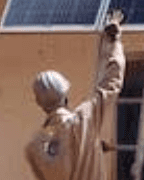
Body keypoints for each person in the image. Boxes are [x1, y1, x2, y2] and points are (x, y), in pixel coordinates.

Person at [25, 11, 126, 180]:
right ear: (65, 95)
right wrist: (114, 41)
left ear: (39, 102)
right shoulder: (86, 118)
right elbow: (113, 80)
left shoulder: (36, 145)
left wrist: (93, 148)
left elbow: (63, 159)